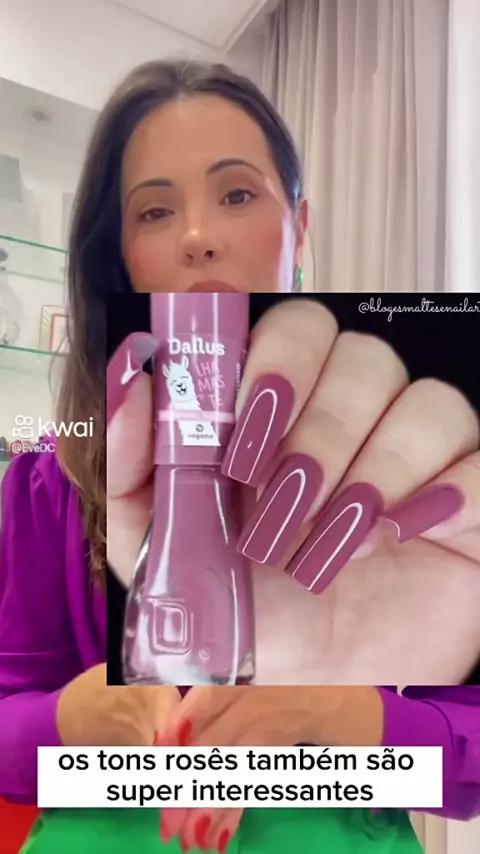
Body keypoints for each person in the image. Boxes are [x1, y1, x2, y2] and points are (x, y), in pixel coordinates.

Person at [0, 58, 479, 854]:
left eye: (236, 195)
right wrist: (72, 719)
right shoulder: (51, 481)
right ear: (121, 256)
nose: (198, 237)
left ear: (299, 227)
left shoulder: (395, 468)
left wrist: (353, 718)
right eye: (156, 211)